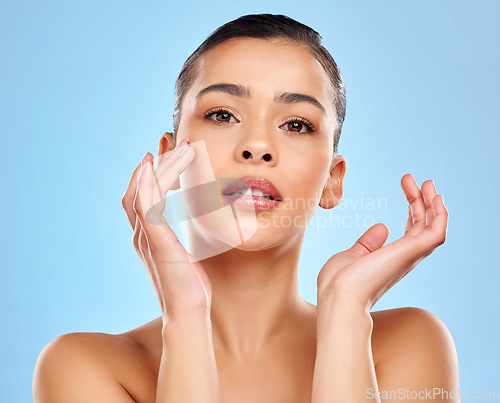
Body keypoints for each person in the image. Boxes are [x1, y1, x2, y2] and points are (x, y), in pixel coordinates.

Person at [33, 14, 459, 402]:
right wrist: (184, 317)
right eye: (222, 115)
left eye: (296, 124)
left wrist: (345, 313)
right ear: (169, 159)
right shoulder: (82, 367)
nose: (257, 147)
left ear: (333, 181)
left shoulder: (408, 343)